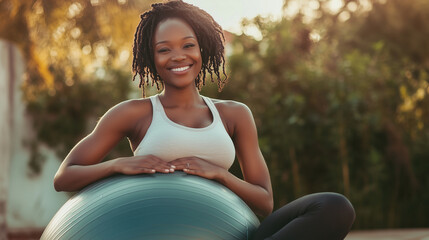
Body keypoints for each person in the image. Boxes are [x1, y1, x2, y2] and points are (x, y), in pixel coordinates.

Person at [53, 1, 355, 239]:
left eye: (188, 45)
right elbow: (64, 177)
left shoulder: (235, 114)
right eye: (164, 49)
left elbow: (264, 201)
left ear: (203, 49)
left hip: (228, 232)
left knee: (333, 207)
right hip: (157, 232)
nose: (178, 56)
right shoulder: (134, 113)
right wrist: (119, 165)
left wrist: (220, 174)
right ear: (151, 57)